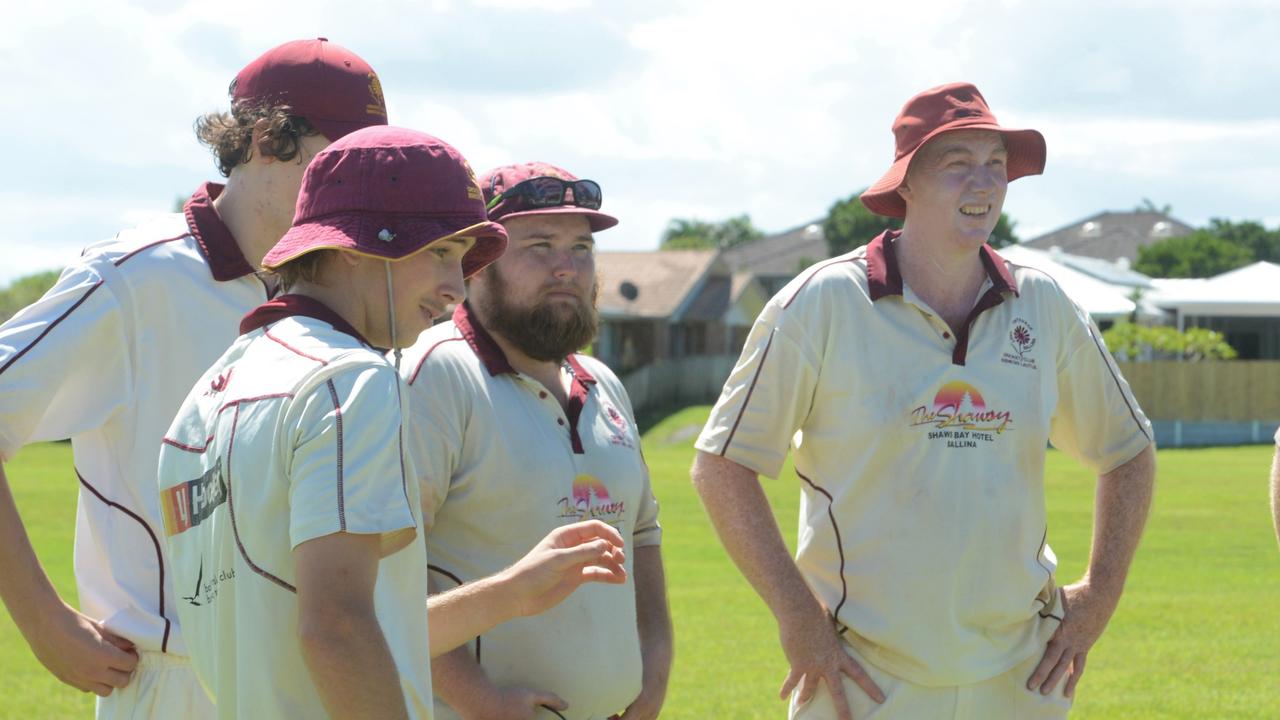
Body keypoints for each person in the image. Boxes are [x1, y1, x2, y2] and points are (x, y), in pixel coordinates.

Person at [691, 82, 1157, 720]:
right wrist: (797, 614)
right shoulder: (823, 302)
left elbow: (1128, 451)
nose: (984, 183)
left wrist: (1100, 596)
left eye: (996, 164)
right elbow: (722, 464)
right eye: (957, 164)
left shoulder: (1044, 304)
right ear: (905, 182)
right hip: (862, 676)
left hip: (1022, 676)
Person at [158, 128, 629, 719]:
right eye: (438, 252)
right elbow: (337, 627)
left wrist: (509, 593)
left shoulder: (209, 392)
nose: (455, 288)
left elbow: (314, 617)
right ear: (351, 246)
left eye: (462, 259)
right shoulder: (349, 380)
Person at [0, 37, 387, 718]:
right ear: (268, 139)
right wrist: (43, 620)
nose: (358, 193)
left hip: (324, 673)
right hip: (175, 685)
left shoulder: (352, 290)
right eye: (338, 162)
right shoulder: (131, 279)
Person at [398, 162, 672, 720]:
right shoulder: (433, 375)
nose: (566, 268)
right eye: (540, 245)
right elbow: (386, 582)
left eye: (582, 247)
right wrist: (484, 701)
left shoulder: (603, 382)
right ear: (477, 262)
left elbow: (642, 534)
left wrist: (653, 671)